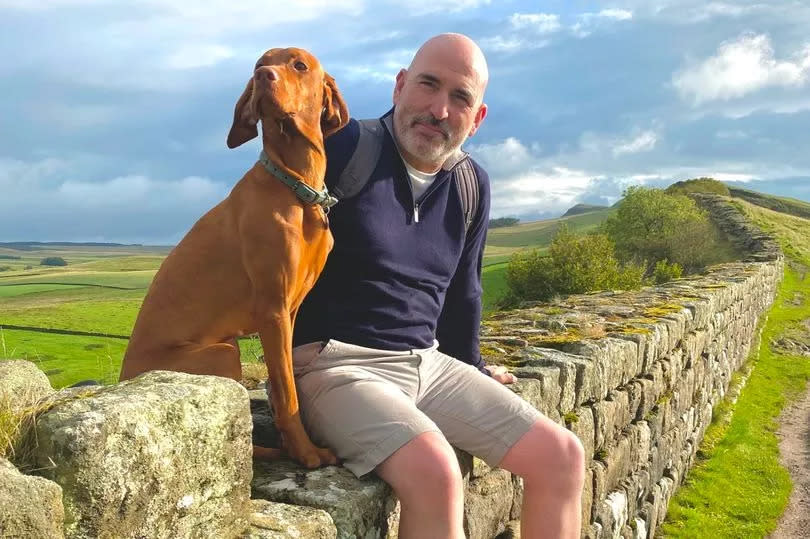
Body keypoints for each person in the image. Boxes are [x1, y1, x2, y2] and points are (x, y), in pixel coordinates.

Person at [292, 33, 585, 538]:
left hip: (427, 363)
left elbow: (464, 289)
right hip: (333, 364)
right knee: (436, 470)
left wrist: (471, 364)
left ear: (478, 117)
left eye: (460, 97)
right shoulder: (341, 148)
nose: (439, 109)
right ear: (400, 86)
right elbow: (255, 236)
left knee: (562, 456)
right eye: (428, 85)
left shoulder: (472, 183)